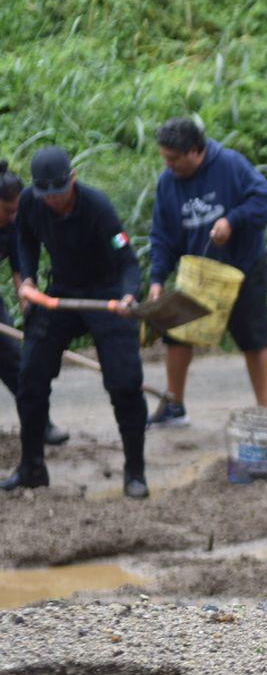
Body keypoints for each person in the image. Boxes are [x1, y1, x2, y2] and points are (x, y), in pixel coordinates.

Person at [2, 147, 147, 497]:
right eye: (46, 195)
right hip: (61, 293)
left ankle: (135, 471)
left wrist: (128, 295)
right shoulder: (31, 204)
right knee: (31, 377)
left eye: (60, 194)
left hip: (106, 294)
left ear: (73, 180)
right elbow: (25, 238)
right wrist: (29, 279)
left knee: (124, 383)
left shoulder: (98, 208)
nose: (53, 201)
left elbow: (128, 260)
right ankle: (32, 466)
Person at [145, 118, 267, 427]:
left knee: (253, 339)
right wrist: (156, 280)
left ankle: (264, 409)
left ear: (195, 151)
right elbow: (162, 236)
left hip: (242, 269)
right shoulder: (168, 182)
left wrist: (233, 220)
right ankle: (174, 405)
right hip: (198, 274)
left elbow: (266, 200)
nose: (169, 165)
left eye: (174, 158)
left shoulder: (230, 164)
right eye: (165, 158)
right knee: (176, 337)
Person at [0, 164, 68, 447]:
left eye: (16, 209)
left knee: (16, 359)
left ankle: (40, 424)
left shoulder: (13, 224)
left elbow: (21, 273)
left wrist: (30, 311)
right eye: (6, 210)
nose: (13, 215)